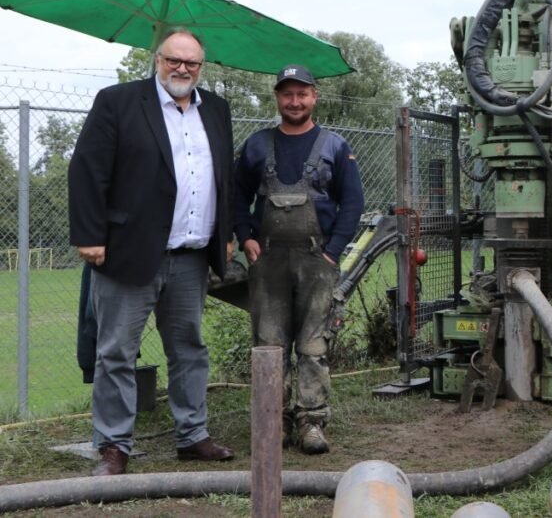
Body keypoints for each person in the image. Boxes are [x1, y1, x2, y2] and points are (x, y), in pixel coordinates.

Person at [69, 28, 235, 476]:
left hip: (191, 256)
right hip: (127, 252)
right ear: (157, 59)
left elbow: (226, 177)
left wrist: (228, 232)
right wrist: (90, 234)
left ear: (202, 67)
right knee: (116, 353)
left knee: (190, 349)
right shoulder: (118, 102)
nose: (183, 69)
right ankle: (113, 446)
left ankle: (192, 435)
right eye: (173, 60)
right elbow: (88, 170)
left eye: (192, 63)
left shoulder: (216, 110)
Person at [233, 65, 365, 454]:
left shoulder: (336, 147)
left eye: (302, 94)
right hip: (268, 260)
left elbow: (353, 203)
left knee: (313, 346)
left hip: (316, 260)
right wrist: (245, 237)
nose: (295, 101)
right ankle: (272, 423)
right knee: (269, 347)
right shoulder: (257, 145)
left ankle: (311, 422)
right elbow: (235, 196)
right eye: (287, 94)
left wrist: (332, 250)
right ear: (277, 97)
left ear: (314, 97)